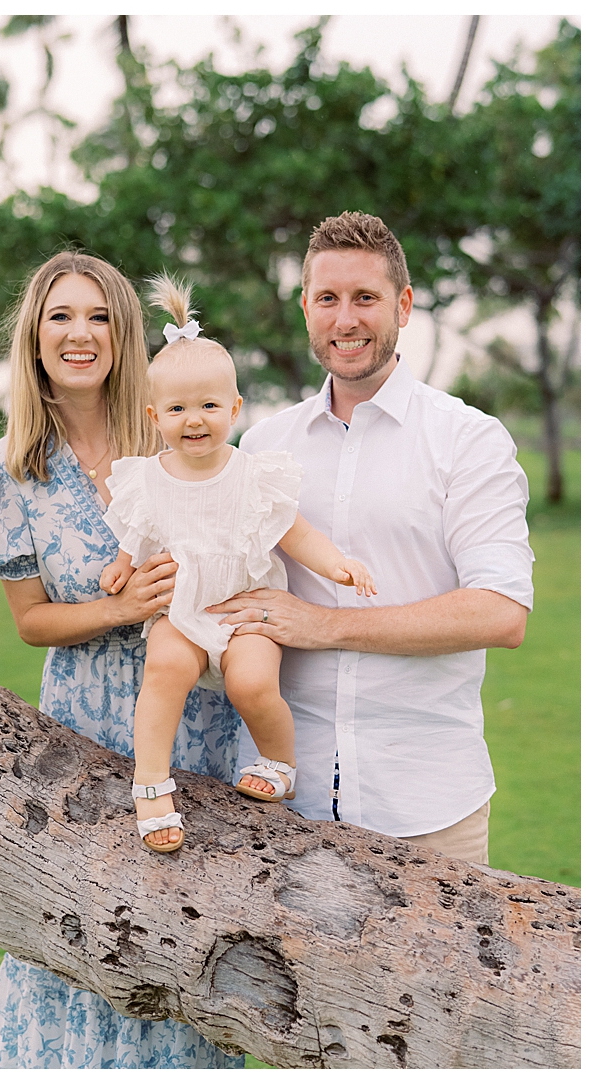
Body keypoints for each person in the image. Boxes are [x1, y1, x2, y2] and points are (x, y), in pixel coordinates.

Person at [0, 252, 243, 1069]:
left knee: (188, 935)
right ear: (35, 336)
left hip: (195, 720)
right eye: (60, 317)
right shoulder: (8, 467)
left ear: (124, 334)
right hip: (81, 729)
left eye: (98, 317)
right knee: (76, 928)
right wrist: (123, 606)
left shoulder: (175, 433)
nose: (79, 334)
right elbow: (31, 622)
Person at [208, 211, 533, 865]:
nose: (345, 320)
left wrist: (322, 625)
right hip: (280, 808)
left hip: (428, 806)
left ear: (404, 306)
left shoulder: (468, 441)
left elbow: (501, 611)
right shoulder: (265, 445)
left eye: (365, 298)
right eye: (327, 299)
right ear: (305, 307)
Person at [99, 275, 375, 853]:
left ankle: (278, 759)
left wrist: (337, 564)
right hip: (181, 609)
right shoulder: (146, 479)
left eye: (208, 406)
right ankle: (150, 782)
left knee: (252, 681)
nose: (193, 419)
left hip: (244, 609)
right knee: (164, 670)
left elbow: (294, 532)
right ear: (155, 416)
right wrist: (122, 569)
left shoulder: (253, 475)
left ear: (235, 408)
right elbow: (136, 534)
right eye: (177, 408)